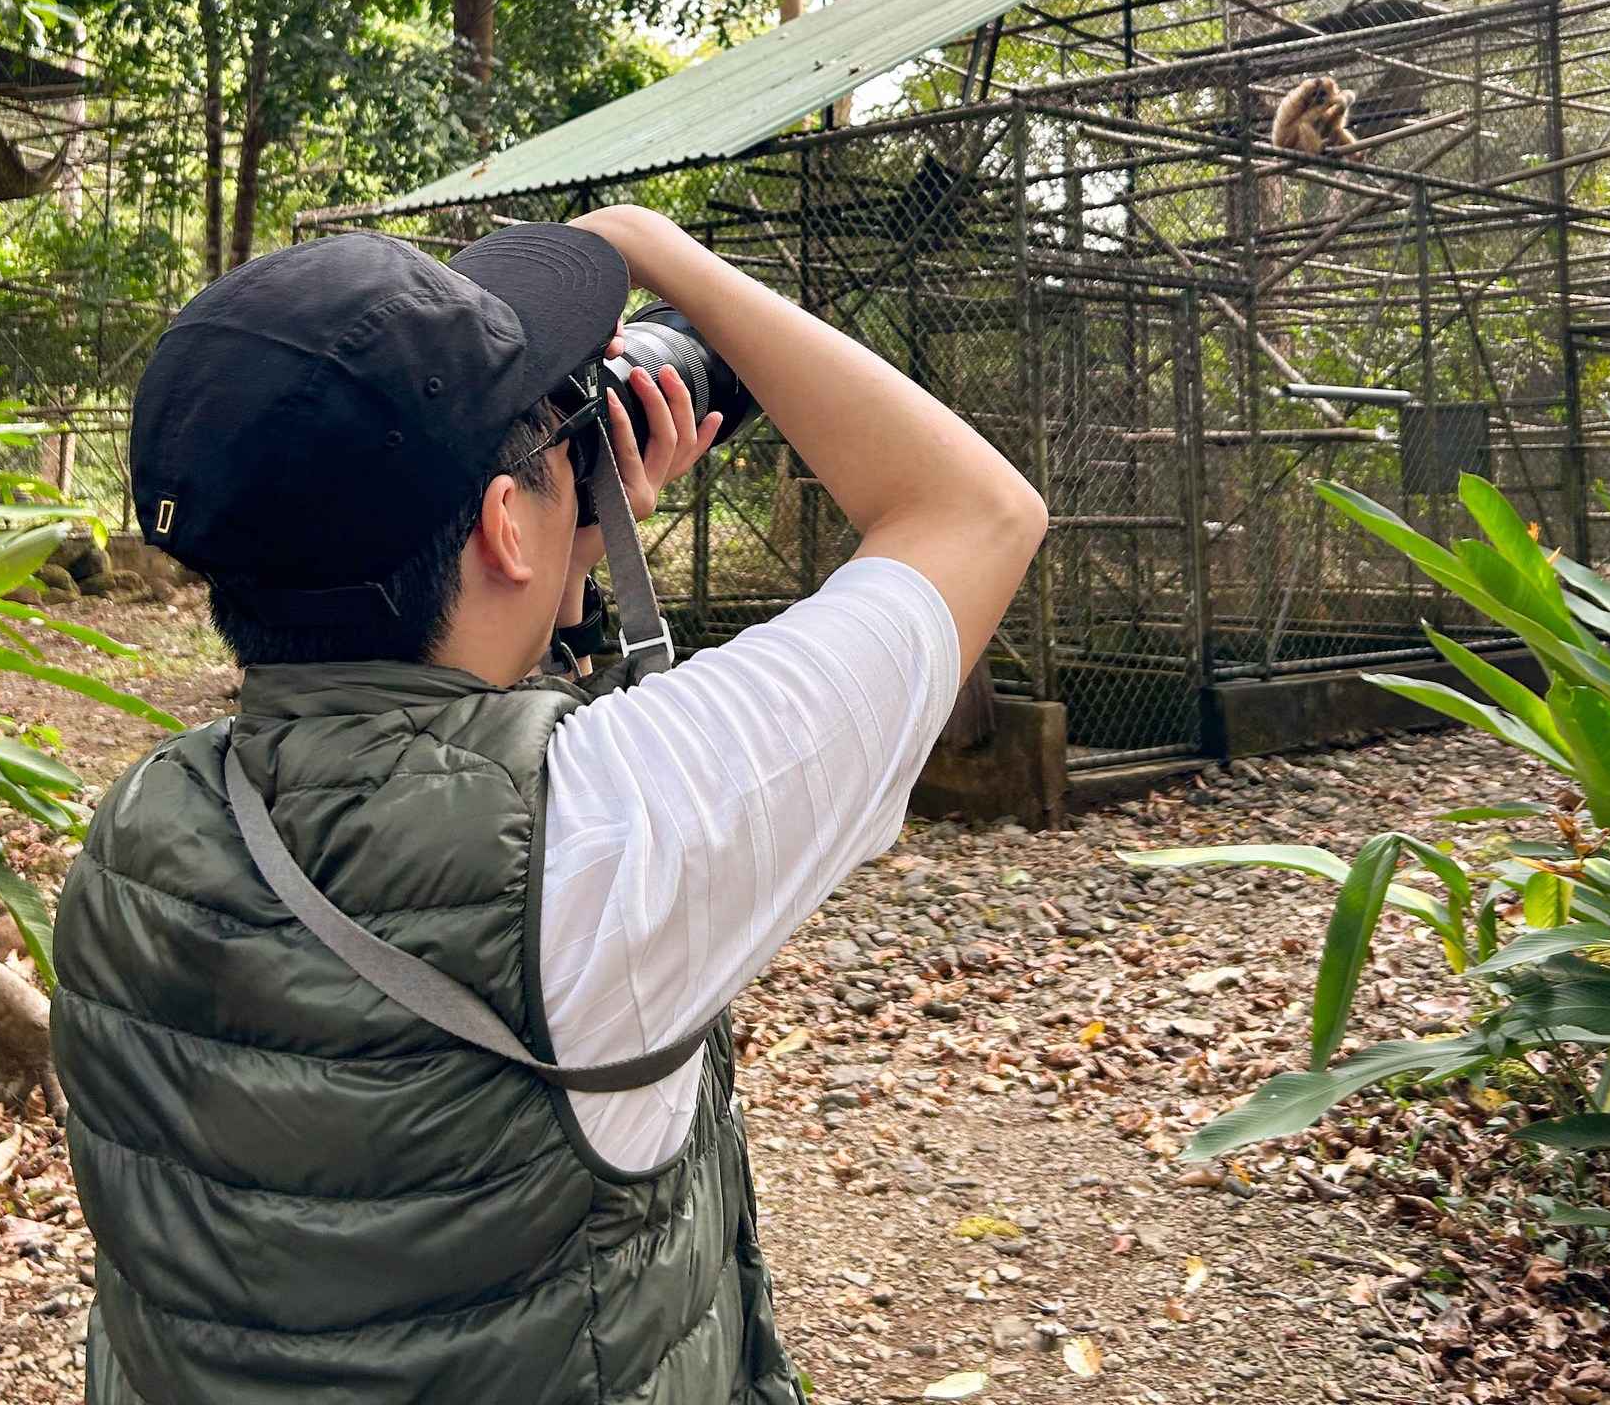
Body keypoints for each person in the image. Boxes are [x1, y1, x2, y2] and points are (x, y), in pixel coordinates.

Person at [51, 203, 1047, 1405]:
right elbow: (973, 512)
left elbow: (444, 755)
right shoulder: (614, 825)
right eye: (541, 438)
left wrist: (559, 556)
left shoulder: (139, 826)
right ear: (495, 526)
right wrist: (646, 245)